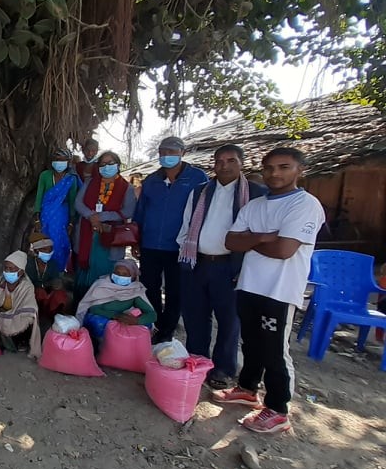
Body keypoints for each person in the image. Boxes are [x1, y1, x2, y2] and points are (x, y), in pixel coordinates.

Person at [214, 147, 325, 434]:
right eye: (270, 168)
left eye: (284, 167)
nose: (275, 173)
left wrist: (250, 240)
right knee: (250, 342)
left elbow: (285, 250)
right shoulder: (256, 205)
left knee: (275, 351)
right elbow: (230, 242)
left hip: (280, 289)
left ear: (300, 170)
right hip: (250, 284)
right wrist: (264, 236)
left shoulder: (305, 205)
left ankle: (278, 409)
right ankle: (248, 389)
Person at [177, 144, 267, 390]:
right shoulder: (200, 191)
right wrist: (184, 252)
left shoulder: (257, 193)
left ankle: (224, 369)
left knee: (229, 320)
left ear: (242, 163)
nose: (224, 166)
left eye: (231, 160)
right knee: (195, 316)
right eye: (219, 161)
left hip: (232, 266)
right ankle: (197, 361)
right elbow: (187, 225)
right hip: (198, 261)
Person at [133, 136, 209, 344]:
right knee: (149, 286)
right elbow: (140, 212)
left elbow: (204, 211)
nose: (167, 156)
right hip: (150, 243)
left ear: (182, 153)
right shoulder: (152, 180)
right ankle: (154, 322)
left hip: (180, 246)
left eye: (172, 152)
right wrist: (136, 240)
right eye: (163, 152)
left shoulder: (197, 178)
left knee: (176, 290)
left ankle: (168, 329)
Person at [72, 151, 136, 302]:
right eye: (102, 164)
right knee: (83, 268)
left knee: (104, 271)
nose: (106, 167)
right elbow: (78, 203)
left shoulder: (127, 188)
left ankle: (101, 306)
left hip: (110, 236)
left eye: (110, 163)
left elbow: (128, 211)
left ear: (118, 165)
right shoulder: (90, 183)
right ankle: (80, 307)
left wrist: (102, 217)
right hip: (87, 232)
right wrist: (91, 216)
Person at [0, 251, 41, 357]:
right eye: (6, 268)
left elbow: (30, 307)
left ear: (20, 272)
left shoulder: (27, 286)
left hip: (15, 316)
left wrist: (4, 314)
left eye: (11, 269)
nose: (7, 271)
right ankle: (0, 341)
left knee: (29, 316)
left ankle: (18, 340)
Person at [75, 259, 157, 343]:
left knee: (146, 325)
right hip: (105, 318)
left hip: (125, 320)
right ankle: (100, 346)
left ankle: (128, 347)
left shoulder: (135, 291)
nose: (120, 276)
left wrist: (136, 321)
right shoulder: (102, 285)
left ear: (133, 277)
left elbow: (152, 315)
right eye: (117, 273)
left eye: (125, 274)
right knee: (97, 322)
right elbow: (93, 308)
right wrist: (115, 316)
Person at [33, 147, 81, 269]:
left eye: (63, 160)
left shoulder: (71, 178)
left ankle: (58, 271)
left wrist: (71, 222)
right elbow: (39, 197)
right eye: (56, 159)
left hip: (62, 218)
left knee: (60, 244)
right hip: (46, 216)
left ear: (68, 162)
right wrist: (37, 219)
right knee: (44, 243)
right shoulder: (45, 175)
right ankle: (42, 271)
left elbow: (72, 200)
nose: (59, 163)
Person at [25, 233, 72, 324]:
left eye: (50, 249)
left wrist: (57, 284)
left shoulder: (52, 264)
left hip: (48, 292)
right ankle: (35, 317)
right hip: (32, 293)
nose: (49, 252)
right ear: (37, 251)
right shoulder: (29, 264)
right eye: (45, 250)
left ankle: (55, 317)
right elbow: (27, 283)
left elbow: (55, 280)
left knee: (60, 295)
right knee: (39, 293)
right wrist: (42, 286)